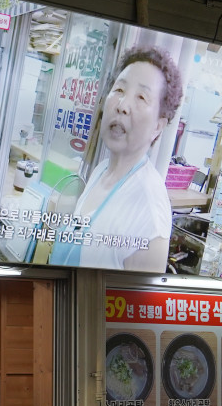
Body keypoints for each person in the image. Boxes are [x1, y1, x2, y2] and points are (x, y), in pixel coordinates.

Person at [49, 46, 184, 272]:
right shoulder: (101, 170)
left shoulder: (150, 213)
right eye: (119, 90)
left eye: (141, 97)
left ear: (158, 127)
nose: (122, 106)